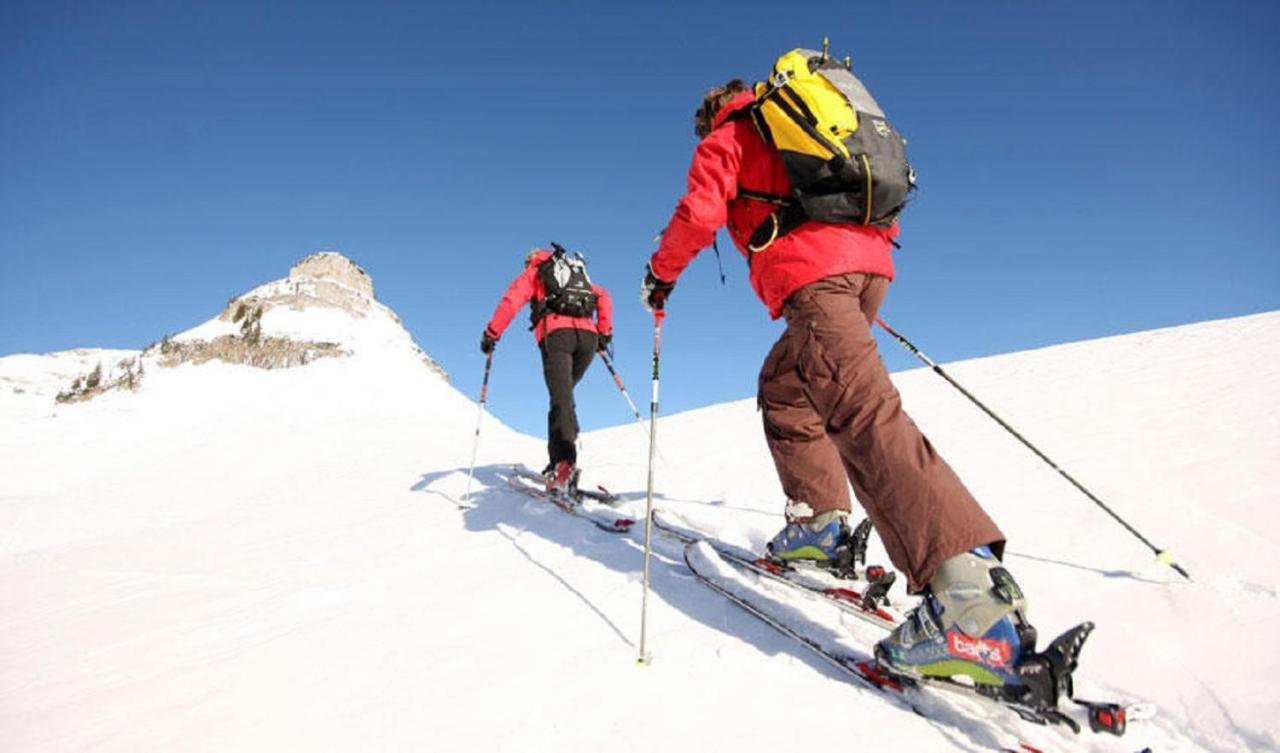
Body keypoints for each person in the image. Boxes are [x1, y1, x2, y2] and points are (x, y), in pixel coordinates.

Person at [640, 80, 1036, 688]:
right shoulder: (808, 117)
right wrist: (849, 269)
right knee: (785, 387)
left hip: (816, 276)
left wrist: (660, 276)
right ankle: (818, 524)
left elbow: (700, 212)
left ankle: (970, 607)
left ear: (712, 112)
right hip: (861, 267)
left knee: (863, 413)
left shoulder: (733, 134)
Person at [482, 246, 614, 495]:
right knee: (562, 397)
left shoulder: (536, 272)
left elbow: (511, 301)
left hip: (558, 337)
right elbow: (604, 295)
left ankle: (564, 466)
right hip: (588, 339)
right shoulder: (576, 275)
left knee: (561, 398)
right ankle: (558, 461)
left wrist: (492, 333)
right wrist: (604, 333)